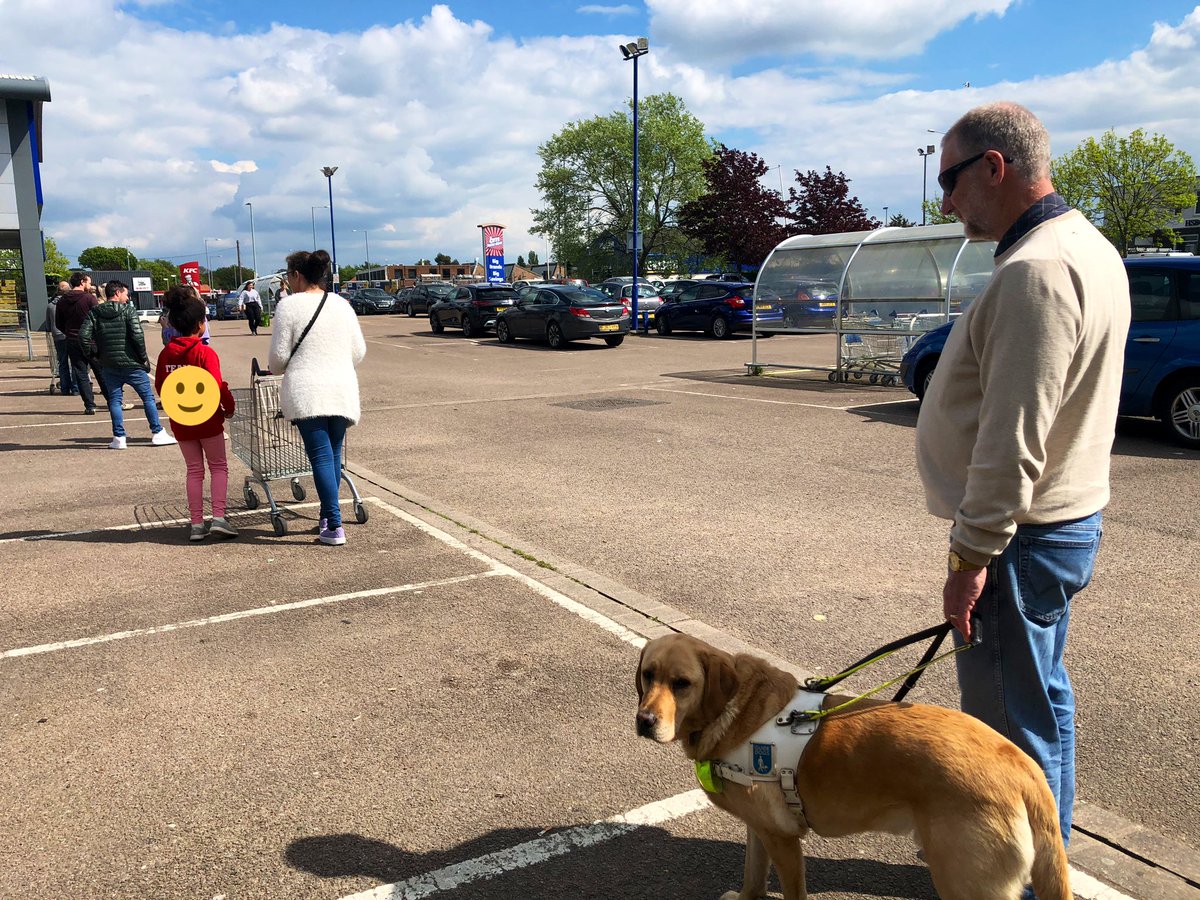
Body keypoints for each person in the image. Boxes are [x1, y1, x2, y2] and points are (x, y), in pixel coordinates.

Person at [916, 102, 1130, 854]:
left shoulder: (1036, 270)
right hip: (1053, 527)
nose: (946, 202)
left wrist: (969, 558)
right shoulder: (1084, 245)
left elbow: (1014, 440)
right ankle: (1049, 862)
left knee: (1007, 730)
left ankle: (1028, 879)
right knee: (1041, 708)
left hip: (1020, 539)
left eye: (949, 180)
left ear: (994, 167)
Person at [268, 250, 365, 546]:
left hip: (308, 392)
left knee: (321, 457)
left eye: (288, 274)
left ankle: (334, 524)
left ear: (296, 275)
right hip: (341, 388)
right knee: (332, 455)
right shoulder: (341, 305)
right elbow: (358, 351)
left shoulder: (288, 306)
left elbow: (277, 361)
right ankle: (327, 515)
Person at [155, 286, 237, 541]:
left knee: (194, 470)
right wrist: (228, 408)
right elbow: (217, 385)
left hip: (181, 420)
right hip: (208, 419)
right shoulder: (204, 352)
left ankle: (197, 523)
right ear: (201, 324)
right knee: (218, 466)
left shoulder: (166, 354)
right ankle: (219, 517)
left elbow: (161, 386)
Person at [79, 280, 178, 450]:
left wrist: (94, 355)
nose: (127, 297)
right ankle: (157, 432)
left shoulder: (94, 313)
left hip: (109, 364)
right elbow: (137, 335)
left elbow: (83, 336)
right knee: (147, 398)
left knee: (115, 400)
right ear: (117, 293)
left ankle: (119, 437)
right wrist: (142, 358)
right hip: (132, 363)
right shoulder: (128, 311)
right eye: (125, 293)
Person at [55, 272, 107, 413]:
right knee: (101, 371)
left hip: (72, 340)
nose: (90, 285)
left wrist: (69, 332)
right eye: (88, 282)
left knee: (81, 373)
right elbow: (99, 319)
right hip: (90, 340)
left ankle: (89, 405)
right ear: (82, 282)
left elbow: (58, 323)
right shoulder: (89, 298)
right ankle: (112, 400)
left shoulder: (62, 301)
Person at [47, 281, 76, 396]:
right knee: (75, 362)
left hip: (57, 336)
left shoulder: (50, 306)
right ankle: (75, 388)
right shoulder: (70, 304)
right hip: (70, 334)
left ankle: (65, 388)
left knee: (62, 362)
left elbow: (48, 324)